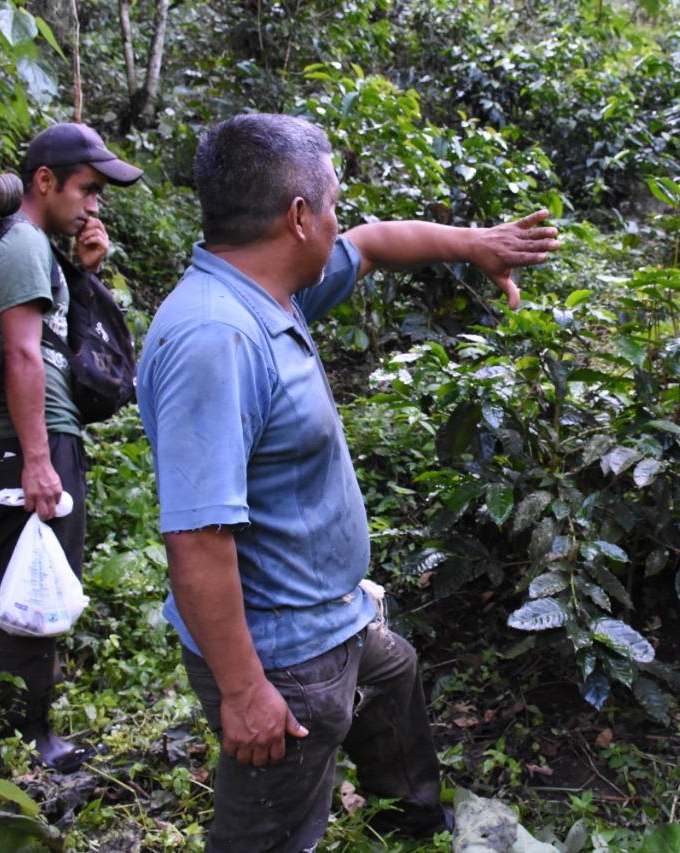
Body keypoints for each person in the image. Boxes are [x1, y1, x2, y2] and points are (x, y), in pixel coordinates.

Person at [136, 113, 559, 851]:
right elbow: (197, 537)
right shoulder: (219, 339)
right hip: (284, 654)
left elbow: (370, 245)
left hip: (332, 620)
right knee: (266, 830)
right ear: (298, 217)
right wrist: (245, 692)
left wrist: (479, 245)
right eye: (333, 199)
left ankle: (413, 826)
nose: (341, 215)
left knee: (391, 676)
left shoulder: (269, 292)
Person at [0, 123, 142, 771]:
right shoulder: (21, 244)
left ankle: (30, 729)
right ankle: (21, 740)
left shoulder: (42, 249)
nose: (94, 204)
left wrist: (87, 271)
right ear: (45, 181)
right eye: (88, 189)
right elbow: (20, 351)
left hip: (47, 433)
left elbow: (51, 341)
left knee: (42, 576)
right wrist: (38, 458)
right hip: (27, 440)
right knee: (21, 584)